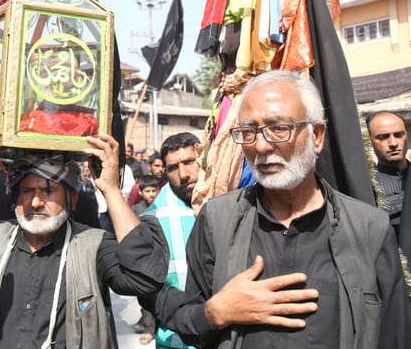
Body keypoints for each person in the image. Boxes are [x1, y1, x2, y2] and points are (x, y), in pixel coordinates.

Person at [143, 70, 410, 349]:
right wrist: (214, 314)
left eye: (279, 128)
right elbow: (189, 325)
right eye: (248, 132)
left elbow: (395, 335)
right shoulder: (216, 221)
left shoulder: (369, 228)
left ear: (317, 136)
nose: (260, 145)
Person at [0, 132, 169, 349]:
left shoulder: (93, 245)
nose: (35, 202)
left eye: (48, 191)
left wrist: (111, 190)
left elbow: (144, 278)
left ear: (72, 198)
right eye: (26, 191)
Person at [139, 132, 200, 349]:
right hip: (174, 338)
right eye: (173, 167)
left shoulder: (230, 199)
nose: (183, 174)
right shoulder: (153, 219)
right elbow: (147, 289)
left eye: (189, 162)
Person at [366, 111, 408, 238]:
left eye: (398, 135)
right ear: (370, 141)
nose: (393, 143)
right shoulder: (369, 186)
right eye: (383, 137)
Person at [130, 174, 159, 345]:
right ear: (140, 192)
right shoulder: (135, 210)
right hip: (142, 258)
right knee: (145, 295)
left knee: (158, 294)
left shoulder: (160, 208)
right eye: (147, 191)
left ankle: (154, 328)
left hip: (158, 256)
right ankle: (148, 328)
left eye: (154, 190)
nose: (151, 194)